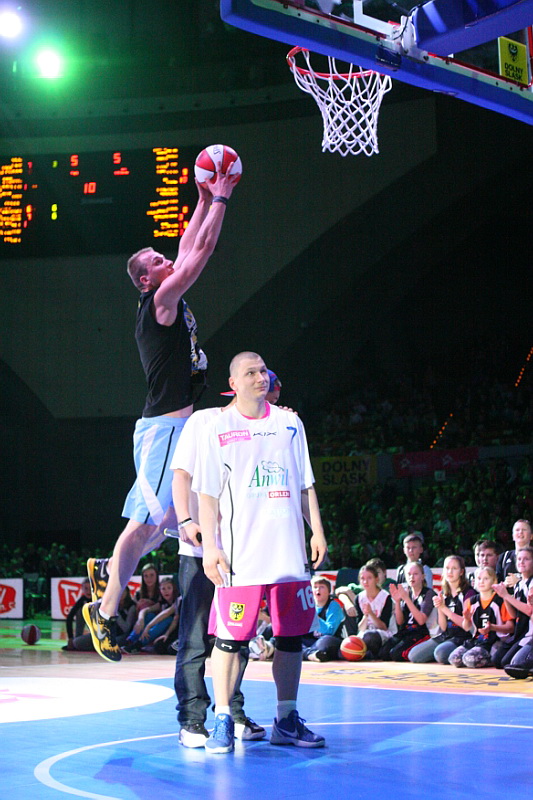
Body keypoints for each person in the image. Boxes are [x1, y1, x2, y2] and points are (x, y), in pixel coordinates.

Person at [83, 164, 240, 662]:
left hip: (182, 427)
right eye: (158, 259)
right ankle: (104, 612)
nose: (168, 259)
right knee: (144, 525)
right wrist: (221, 198)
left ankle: (108, 566)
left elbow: (189, 246)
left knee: (165, 523)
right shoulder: (160, 301)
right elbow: (202, 252)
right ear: (145, 279)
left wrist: (201, 198)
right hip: (163, 429)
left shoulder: (165, 293)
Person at [196, 351, 328, 753]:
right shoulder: (218, 428)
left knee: (291, 639)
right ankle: (223, 718)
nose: (260, 377)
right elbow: (207, 494)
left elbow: (305, 484)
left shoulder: (290, 423)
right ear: (233, 383)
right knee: (230, 641)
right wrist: (211, 548)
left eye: (263, 371)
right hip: (242, 558)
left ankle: (286, 720)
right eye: (250, 372)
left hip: (288, 555)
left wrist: (317, 531)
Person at [170, 394, 266, 748]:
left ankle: (232, 713)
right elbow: (181, 475)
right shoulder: (204, 421)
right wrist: (185, 519)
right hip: (200, 551)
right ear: (235, 387)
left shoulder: (266, 429)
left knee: (236, 639)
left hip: (242, 552)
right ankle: (192, 720)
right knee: (195, 639)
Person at [448, 567, 514, 668]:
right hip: (478, 640)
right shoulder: (472, 601)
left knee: (469, 659)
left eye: (486, 578)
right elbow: (466, 627)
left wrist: (492, 627)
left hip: (496, 640)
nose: (481, 581)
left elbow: (511, 627)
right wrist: (466, 619)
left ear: (494, 581)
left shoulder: (500, 600)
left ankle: (493, 658)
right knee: (454, 659)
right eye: (479, 578)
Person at [414, 555, 475, 664]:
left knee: (440, 653)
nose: (450, 572)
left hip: (463, 636)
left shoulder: (468, 593)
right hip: (447, 635)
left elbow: (467, 626)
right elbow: (443, 627)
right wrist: (439, 607)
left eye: (454, 568)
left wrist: (444, 608)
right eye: (447, 568)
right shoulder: (443, 593)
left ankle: (460, 653)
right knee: (414, 655)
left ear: (461, 572)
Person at [379, 562, 436, 661]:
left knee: (396, 654)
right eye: (409, 574)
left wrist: (406, 599)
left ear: (423, 577)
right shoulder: (407, 592)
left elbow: (421, 620)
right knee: (383, 653)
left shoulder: (428, 593)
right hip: (406, 631)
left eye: (415, 574)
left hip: (420, 632)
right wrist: (397, 602)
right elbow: (400, 621)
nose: (411, 577)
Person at [491, 546, 533, 669]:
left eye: (526, 559)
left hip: (530, 633)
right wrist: (504, 596)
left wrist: (506, 596)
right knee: (498, 661)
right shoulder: (518, 584)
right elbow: (514, 614)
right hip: (520, 632)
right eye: (519, 559)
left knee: (513, 663)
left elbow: (530, 610)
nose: (521, 562)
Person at [349, 562, 396, 658]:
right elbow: (360, 628)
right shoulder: (359, 598)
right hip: (365, 634)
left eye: (369, 578)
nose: (365, 582)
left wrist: (371, 613)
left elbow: (384, 627)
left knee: (370, 637)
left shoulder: (385, 597)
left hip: (382, 634)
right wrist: (365, 616)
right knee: (346, 648)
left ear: (376, 579)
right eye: (362, 578)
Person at [122, 576, 176, 653]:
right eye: (163, 589)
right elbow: (145, 610)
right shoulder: (162, 603)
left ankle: (138, 645)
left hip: (173, 631)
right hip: (162, 631)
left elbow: (166, 614)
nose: (166, 591)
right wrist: (140, 620)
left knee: (168, 619)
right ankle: (129, 641)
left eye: (169, 588)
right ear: (160, 590)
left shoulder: (177, 601)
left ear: (174, 589)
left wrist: (148, 626)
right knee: (150, 615)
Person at [301, 577, 345, 662]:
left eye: (321, 587)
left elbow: (330, 631)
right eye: (315, 587)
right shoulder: (307, 606)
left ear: (329, 591)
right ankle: (311, 654)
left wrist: (314, 617)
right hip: (311, 642)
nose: (318, 590)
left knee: (326, 641)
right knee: (290, 640)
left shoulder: (334, 606)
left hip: (328, 641)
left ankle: (307, 653)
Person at [496, 519, 533, 586]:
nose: (520, 532)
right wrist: (505, 584)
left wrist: (520, 582)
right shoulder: (504, 557)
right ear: (513, 536)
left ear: (531, 536)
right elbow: (496, 582)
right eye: (517, 530)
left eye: (524, 530)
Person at [62, 578, 92, 651]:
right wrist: (70, 637)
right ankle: (77, 638)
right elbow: (70, 617)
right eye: (86, 588)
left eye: (90, 588)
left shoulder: (99, 599)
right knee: (79, 611)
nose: (88, 591)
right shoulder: (82, 600)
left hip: (101, 633)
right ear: (82, 589)